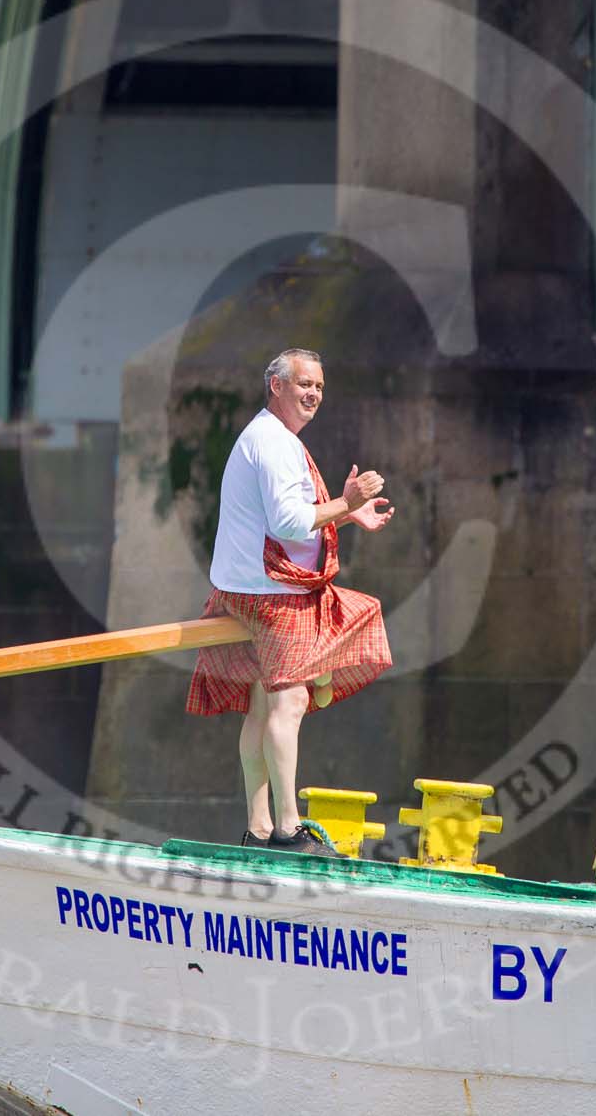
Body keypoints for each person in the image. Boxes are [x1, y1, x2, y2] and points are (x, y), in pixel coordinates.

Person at [187, 348, 395, 854]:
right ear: (275, 386)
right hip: (271, 598)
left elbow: (287, 516)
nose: (313, 394)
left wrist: (347, 516)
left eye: (320, 387)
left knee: (261, 705)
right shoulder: (274, 444)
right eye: (304, 384)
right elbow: (286, 523)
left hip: (244, 591)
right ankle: (286, 830)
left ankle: (258, 828)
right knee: (292, 699)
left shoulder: (266, 436)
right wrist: (346, 503)